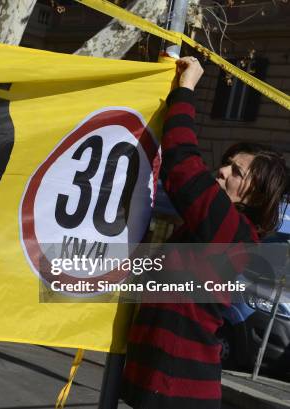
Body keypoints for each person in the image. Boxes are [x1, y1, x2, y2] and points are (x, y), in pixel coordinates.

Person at [120, 56, 288, 409]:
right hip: (162, 384)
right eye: (227, 162)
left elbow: (182, 164)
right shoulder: (218, 227)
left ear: (256, 195)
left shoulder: (230, 229)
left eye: (237, 172)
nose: (222, 170)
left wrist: (186, 90)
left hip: (175, 391)